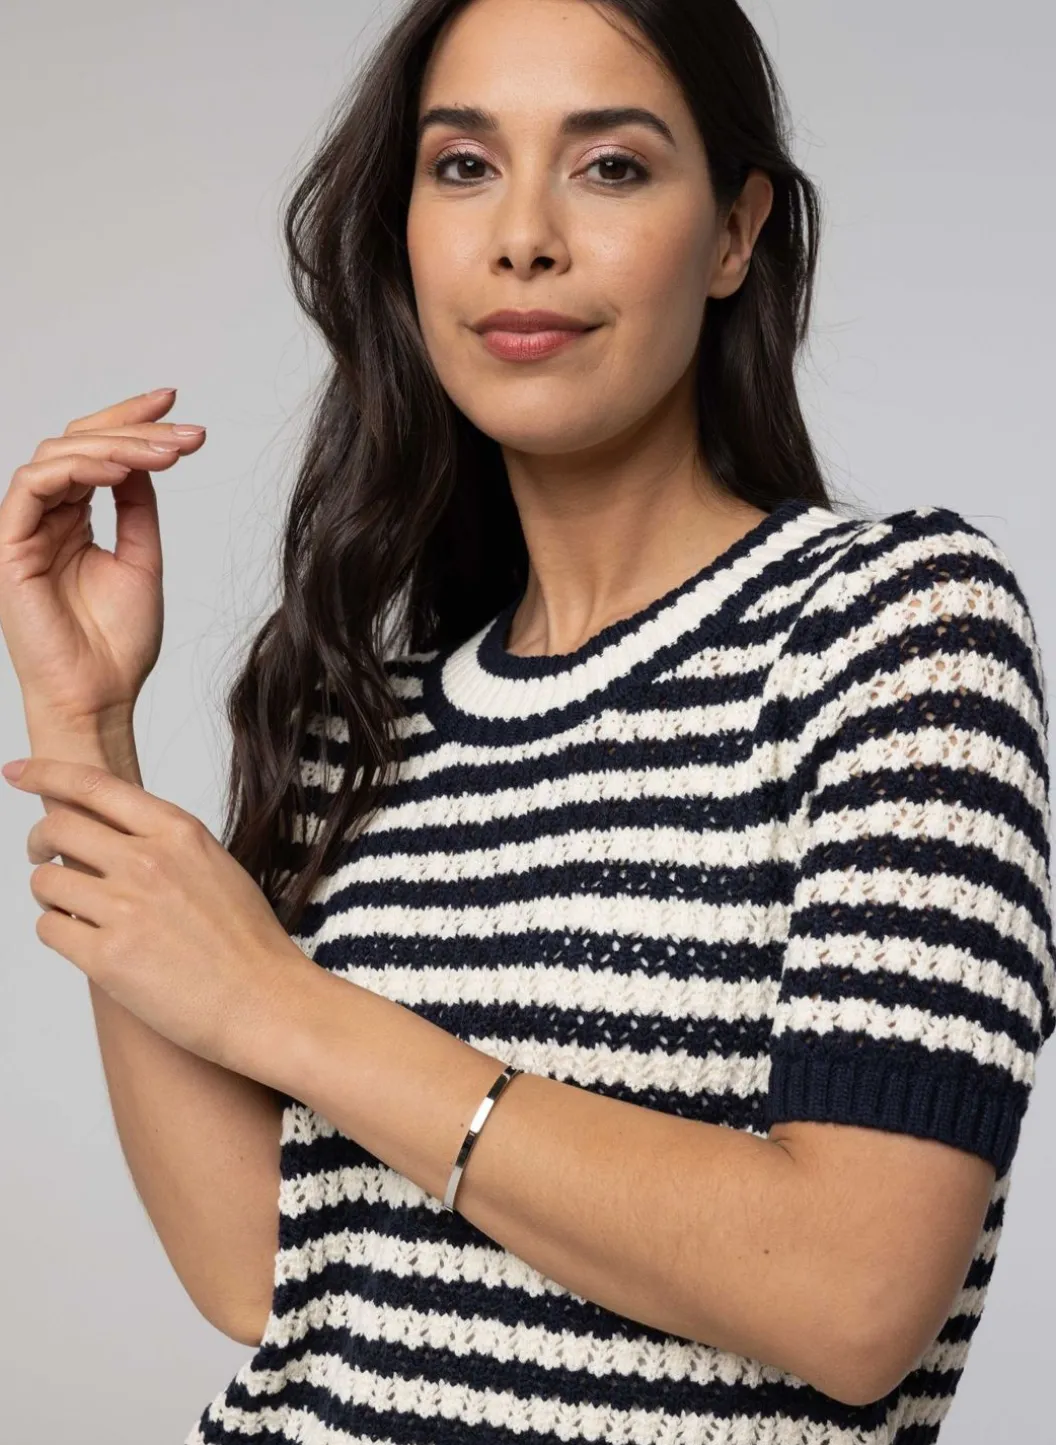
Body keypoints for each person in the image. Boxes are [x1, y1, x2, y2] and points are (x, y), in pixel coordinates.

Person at [0, 1, 1051, 1442]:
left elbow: (855, 1296)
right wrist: (83, 721)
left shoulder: (893, 630)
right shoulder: (365, 720)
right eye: (464, 167)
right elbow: (260, 1275)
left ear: (735, 233)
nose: (523, 238)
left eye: (611, 166)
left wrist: (287, 1010)